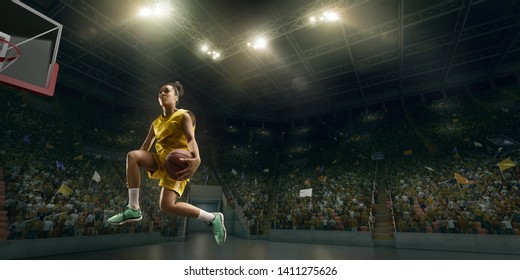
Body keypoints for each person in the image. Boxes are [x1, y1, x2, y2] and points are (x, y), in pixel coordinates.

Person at [107, 81, 226, 245]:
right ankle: (133, 208)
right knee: (133, 156)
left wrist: (197, 158)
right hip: (161, 160)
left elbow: (191, 138)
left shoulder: (184, 115)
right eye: (160, 92)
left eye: (166, 91)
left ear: (176, 97)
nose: (162, 94)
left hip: (178, 163)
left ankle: (212, 218)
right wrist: (135, 167)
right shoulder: (156, 122)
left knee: (167, 206)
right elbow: (146, 146)